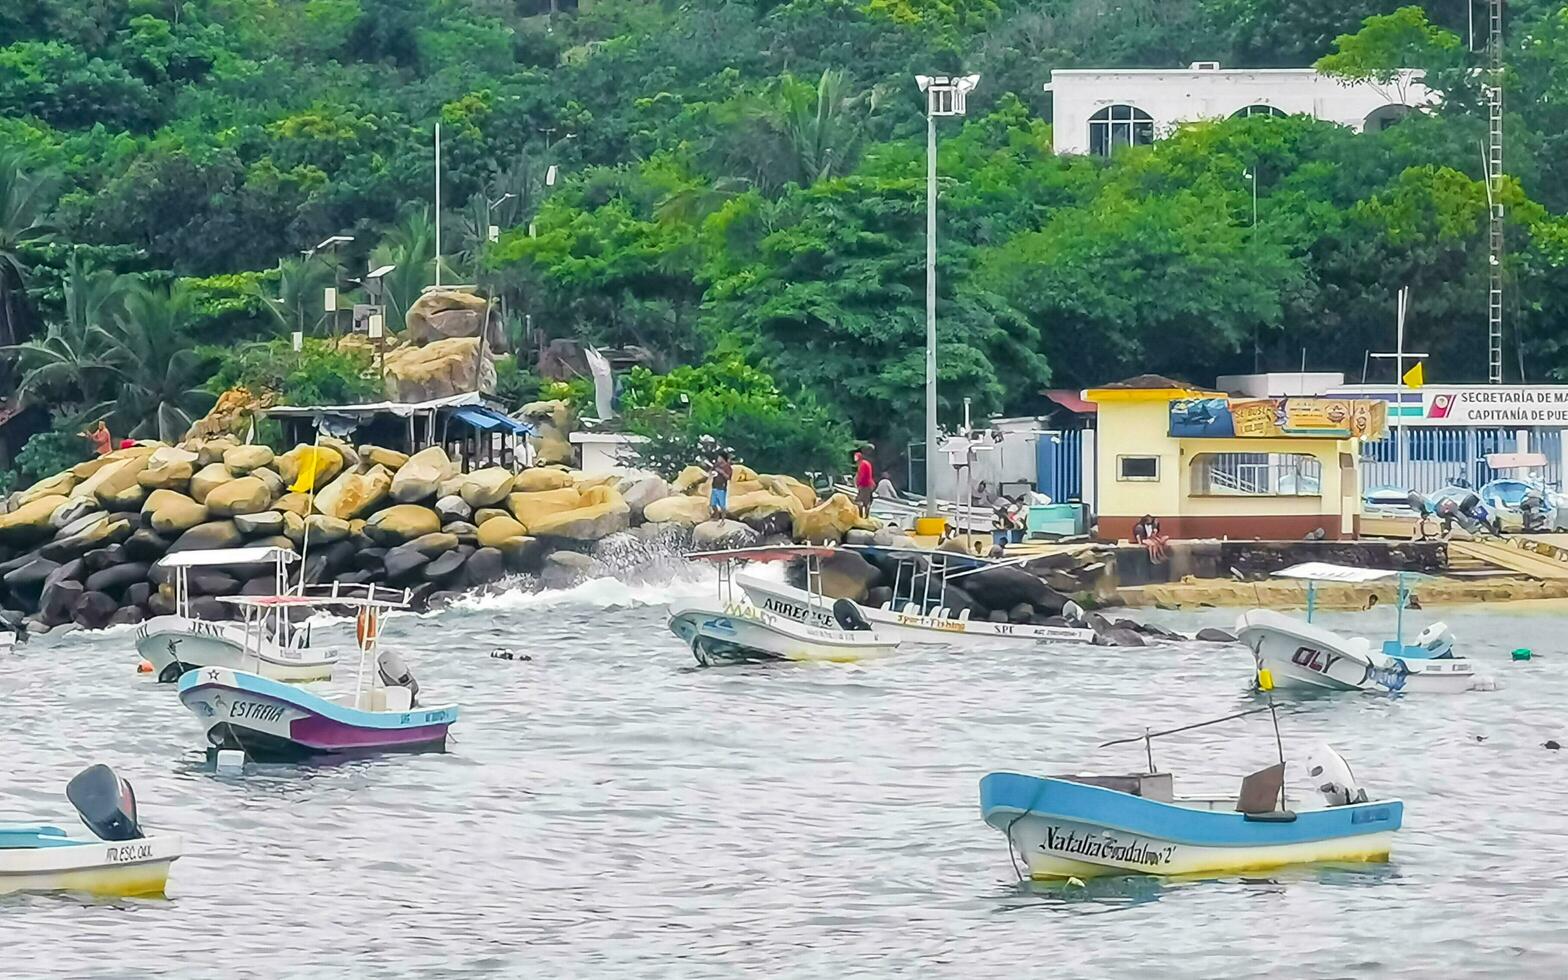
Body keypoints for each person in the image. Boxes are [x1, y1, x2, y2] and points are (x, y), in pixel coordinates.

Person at [709, 451, 733, 518]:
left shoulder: (727, 467)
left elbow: (728, 477)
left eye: (719, 457)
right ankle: (716, 515)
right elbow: (711, 471)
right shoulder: (716, 465)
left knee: (722, 505)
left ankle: (723, 518)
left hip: (722, 488)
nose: (718, 459)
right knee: (713, 504)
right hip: (714, 486)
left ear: (723, 458)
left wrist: (722, 472)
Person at [853, 449, 875, 518]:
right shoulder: (866, 463)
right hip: (869, 485)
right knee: (866, 502)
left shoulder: (862, 465)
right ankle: (866, 517)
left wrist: (858, 484)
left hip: (865, 486)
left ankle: (861, 517)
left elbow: (862, 476)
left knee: (859, 501)